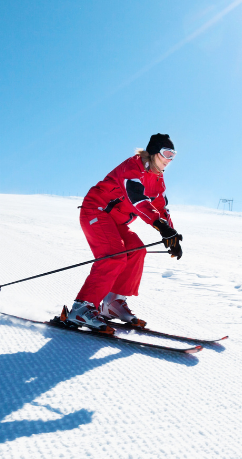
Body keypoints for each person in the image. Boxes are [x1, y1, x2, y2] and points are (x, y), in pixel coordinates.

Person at [64, 133, 181, 332]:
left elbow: (161, 208)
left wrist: (172, 235)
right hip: (96, 211)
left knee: (136, 250)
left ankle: (113, 303)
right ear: (153, 153)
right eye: (166, 153)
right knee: (113, 255)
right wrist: (161, 228)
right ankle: (81, 307)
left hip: (116, 221)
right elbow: (138, 201)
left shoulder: (158, 180)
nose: (169, 159)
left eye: (173, 155)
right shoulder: (132, 168)